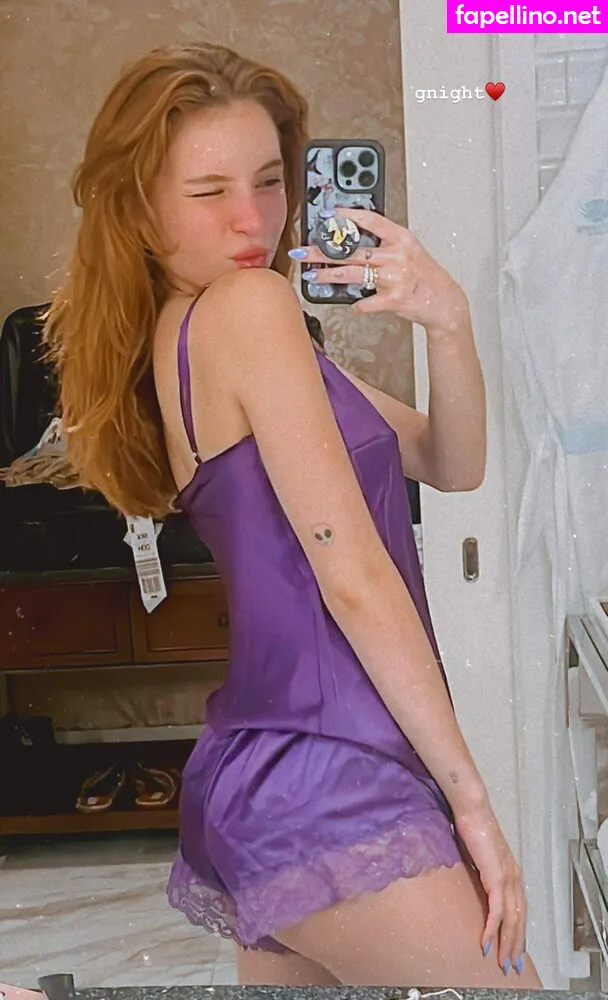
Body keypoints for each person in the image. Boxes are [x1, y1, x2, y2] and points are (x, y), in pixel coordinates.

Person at [42, 41, 543, 988]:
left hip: (269, 770)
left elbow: (451, 461)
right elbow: (352, 578)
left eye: (271, 181)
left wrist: (445, 315)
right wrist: (474, 804)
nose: (254, 219)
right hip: (325, 778)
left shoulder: (199, 331)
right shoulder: (249, 309)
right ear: (139, 211)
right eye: (209, 191)